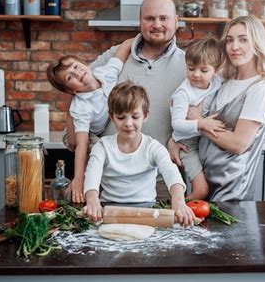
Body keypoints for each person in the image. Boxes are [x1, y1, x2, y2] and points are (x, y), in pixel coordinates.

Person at [66, 0, 186, 202]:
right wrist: (76, 140)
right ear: (140, 22)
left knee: (163, 234)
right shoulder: (115, 55)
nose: (156, 24)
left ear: (176, 22)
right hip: (107, 182)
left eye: (163, 18)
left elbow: (200, 112)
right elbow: (78, 93)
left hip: (161, 182)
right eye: (149, 19)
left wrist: (178, 138)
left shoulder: (188, 65)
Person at [170, 15, 265, 201]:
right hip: (206, 181)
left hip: (231, 190)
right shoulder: (224, 81)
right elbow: (191, 119)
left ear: (257, 43)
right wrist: (173, 141)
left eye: (243, 39)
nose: (234, 47)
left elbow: (238, 144)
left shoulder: (261, 88)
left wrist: (201, 125)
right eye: (229, 40)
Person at [83, 82, 196, 226]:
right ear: (111, 117)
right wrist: (92, 199)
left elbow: (171, 173)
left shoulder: (153, 147)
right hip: (109, 211)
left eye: (135, 117)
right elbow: (92, 174)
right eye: (121, 117)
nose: (128, 123)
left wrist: (179, 200)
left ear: (145, 116)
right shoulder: (102, 147)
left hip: (147, 212)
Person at [46, 38, 133, 203]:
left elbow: (124, 48)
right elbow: (81, 145)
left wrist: (142, 36)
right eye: (70, 77)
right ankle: (90, 190)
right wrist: (78, 179)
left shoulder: (105, 73)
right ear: (70, 90)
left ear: (85, 64)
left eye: (76, 67)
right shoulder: (81, 107)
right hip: (92, 133)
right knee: (99, 152)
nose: (76, 73)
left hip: (96, 127)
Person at [170, 37, 226, 200]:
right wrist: (202, 123)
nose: (196, 74)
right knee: (201, 190)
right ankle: (178, 210)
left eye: (203, 70)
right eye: (191, 68)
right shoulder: (183, 93)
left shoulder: (216, 81)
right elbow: (177, 124)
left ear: (215, 70)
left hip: (204, 142)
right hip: (187, 146)